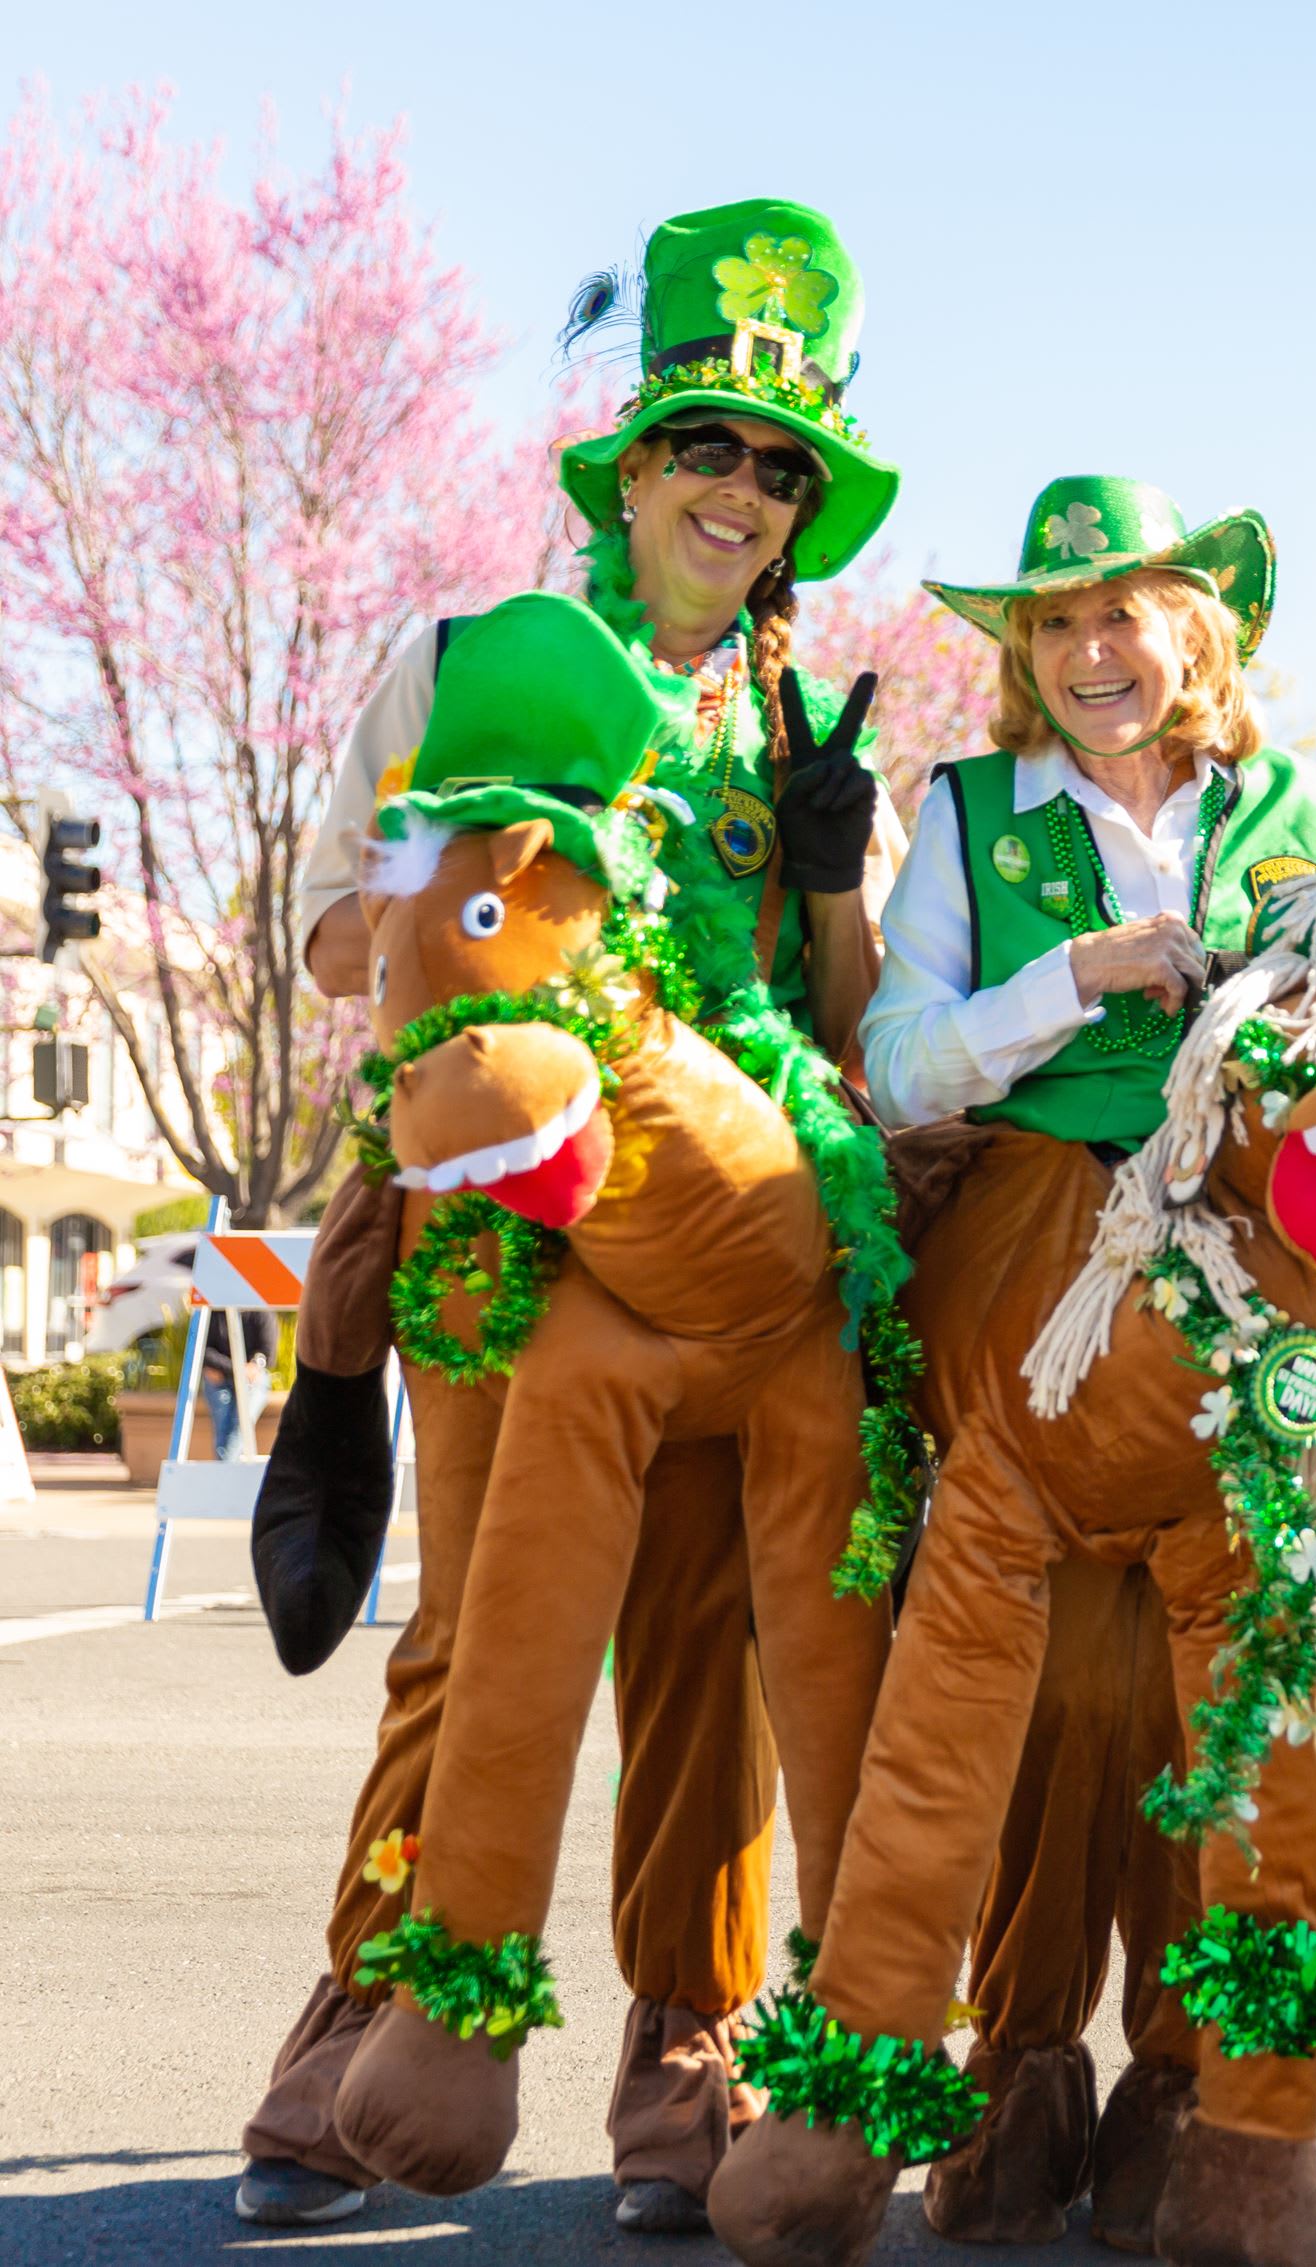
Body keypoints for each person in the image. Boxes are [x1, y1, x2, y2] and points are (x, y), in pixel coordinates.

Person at [237, 196, 906, 2238]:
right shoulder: (464, 661)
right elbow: (335, 928)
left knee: (700, 1650)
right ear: (628, 467)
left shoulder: (812, 734)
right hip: (497, 1217)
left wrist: (839, 874)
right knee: (470, 1641)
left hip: (716, 1236)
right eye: (705, 445)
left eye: (782, 469)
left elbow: (848, 1029)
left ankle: (683, 2063)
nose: (742, 490)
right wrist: (475, 895)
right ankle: (361, 2035)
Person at [819, 475, 1316, 2250]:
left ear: (1199, 631)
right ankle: (1017, 2057)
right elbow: (900, 1065)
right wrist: (1070, 976)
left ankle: (1204, 2085)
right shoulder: (971, 812)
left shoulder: (1291, 804)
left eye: (1122, 610)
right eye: (1051, 622)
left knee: (1222, 1700)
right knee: (1047, 1700)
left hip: (1238, 1265)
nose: (1086, 649)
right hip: (1040, 1269)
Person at [200, 1304, 279, 1460]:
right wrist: (238, 1369)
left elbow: (267, 1354)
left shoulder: (261, 1312)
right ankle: (227, 1470)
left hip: (251, 1379)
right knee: (223, 1424)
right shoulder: (215, 1313)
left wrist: (251, 1368)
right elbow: (204, 1351)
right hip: (221, 1379)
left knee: (241, 1424)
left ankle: (224, 1469)